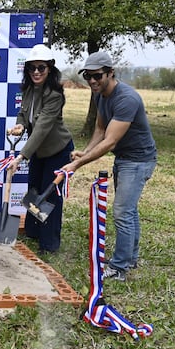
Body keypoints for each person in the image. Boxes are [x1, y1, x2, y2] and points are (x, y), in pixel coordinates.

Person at [62, 51, 157, 281]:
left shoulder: (127, 99)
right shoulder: (100, 95)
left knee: (122, 212)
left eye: (98, 76)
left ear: (110, 73)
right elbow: (100, 130)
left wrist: (79, 163)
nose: (93, 81)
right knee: (129, 210)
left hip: (138, 160)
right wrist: (85, 151)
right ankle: (131, 258)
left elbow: (111, 141)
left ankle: (119, 267)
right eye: (88, 76)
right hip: (124, 158)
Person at [6, 44, 74, 253]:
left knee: (49, 196)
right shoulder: (28, 90)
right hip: (38, 151)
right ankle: (34, 232)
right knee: (34, 191)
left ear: (50, 69)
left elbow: (42, 128)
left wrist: (21, 156)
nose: (36, 72)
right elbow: (24, 114)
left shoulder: (55, 95)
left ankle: (49, 244)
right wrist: (20, 125)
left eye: (41, 68)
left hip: (57, 151)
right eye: (32, 68)